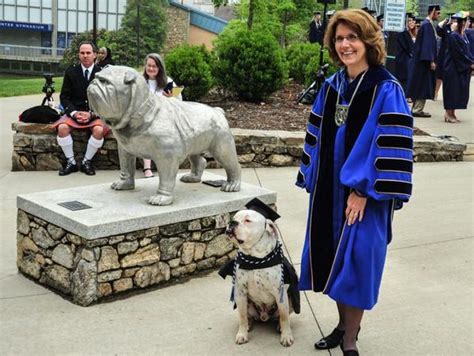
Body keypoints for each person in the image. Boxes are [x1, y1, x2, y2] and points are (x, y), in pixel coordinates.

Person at [296, 9, 413, 356]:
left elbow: (389, 142)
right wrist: (312, 178)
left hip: (365, 196)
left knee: (357, 264)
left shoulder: (385, 88)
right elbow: (316, 133)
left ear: (367, 41)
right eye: (339, 38)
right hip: (328, 192)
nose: (345, 45)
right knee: (333, 262)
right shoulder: (332, 86)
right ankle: (343, 325)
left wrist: (362, 191)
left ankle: (351, 337)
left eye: (352, 37)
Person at [53, 41, 108, 176]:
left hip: (94, 114)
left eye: (88, 53)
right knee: (62, 128)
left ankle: (86, 162)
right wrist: (74, 113)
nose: (85, 56)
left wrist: (92, 114)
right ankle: (71, 162)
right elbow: (64, 97)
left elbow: (106, 99)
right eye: (82, 53)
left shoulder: (102, 74)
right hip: (74, 113)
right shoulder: (71, 72)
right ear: (79, 55)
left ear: (95, 55)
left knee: (99, 130)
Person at [141, 53, 180, 178]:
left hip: (164, 118)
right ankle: (147, 167)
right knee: (146, 131)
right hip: (145, 118)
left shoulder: (168, 82)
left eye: (154, 66)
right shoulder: (141, 81)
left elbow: (179, 103)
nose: (151, 69)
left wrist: (171, 98)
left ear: (160, 68)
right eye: (149, 66)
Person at [406, 4, 441, 117]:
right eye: (438, 13)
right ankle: (417, 109)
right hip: (423, 63)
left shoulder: (428, 25)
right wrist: (431, 60)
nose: (439, 15)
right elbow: (427, 45)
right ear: (433, 11)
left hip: (422, 61)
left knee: (421, 84)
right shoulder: (427, 25)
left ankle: (417, 108)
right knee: (422, 85)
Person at [442, 13, 474, 123]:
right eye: (467, 21)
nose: (468, 23)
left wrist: (471, 61)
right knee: (452, 90)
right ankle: (448, 113)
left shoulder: (463, 35)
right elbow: (458, 53)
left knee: (458, 91)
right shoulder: (453, 36)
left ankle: (452, 113)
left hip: (459, 68)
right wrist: (470, 63)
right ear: (463, 22)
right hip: (452, 67)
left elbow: (467, 51)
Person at [395, 14, 417, 95]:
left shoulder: (411, 33)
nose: (411, 23)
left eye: (412, 21)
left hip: (407, 61)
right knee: (403, 80)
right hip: (402, 60)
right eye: (409, 21)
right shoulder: (403, 33)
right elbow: (410, 48)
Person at [434, 15, 453, 100]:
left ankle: (449, 95)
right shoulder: (446, 27)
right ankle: (435, 93)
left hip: (453, 56)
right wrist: (442, 23)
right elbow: (438, 31)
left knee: (450, 77)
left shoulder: (460, 29)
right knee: (439, 75)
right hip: (443, 54)